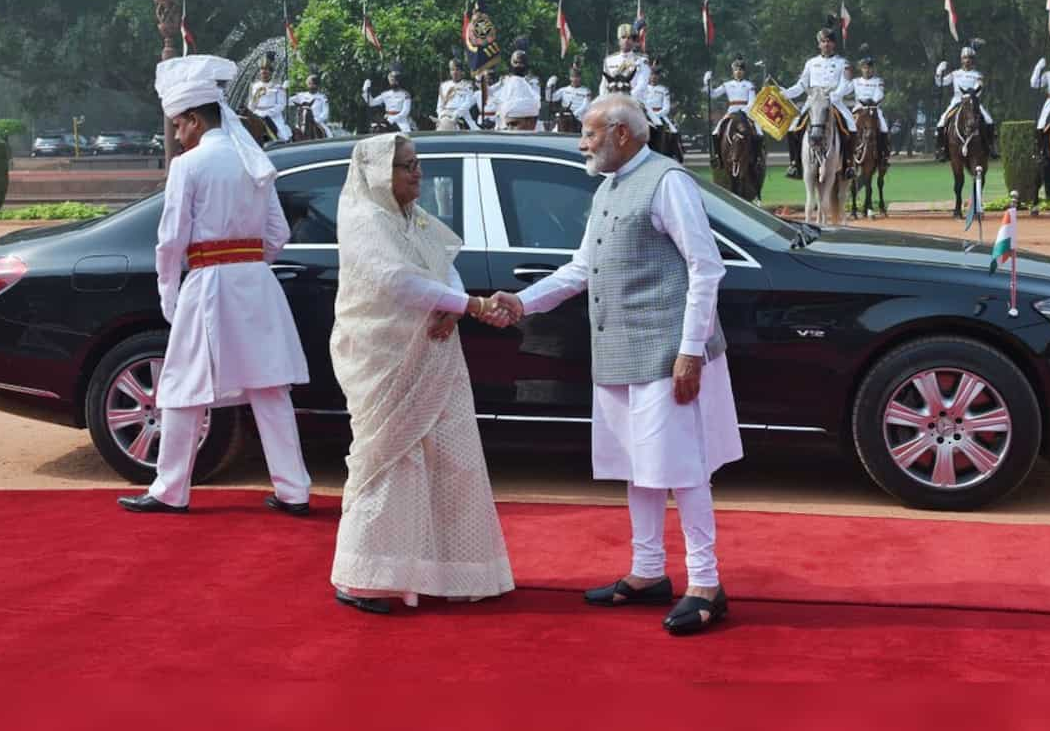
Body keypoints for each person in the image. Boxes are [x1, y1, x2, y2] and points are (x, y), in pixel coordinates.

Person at [491, 94, 743, 636]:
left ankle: (706, 583)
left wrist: (691, 351)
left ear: (621, 134)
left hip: (667, 353)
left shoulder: (667, 181)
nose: (582, 143)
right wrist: (523, 302)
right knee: (639, 467)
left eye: (589, 133)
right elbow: (582, 268)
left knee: (684, 469)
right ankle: (649, 572)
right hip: (620, 353)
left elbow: (706, 267)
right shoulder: (609, 187)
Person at [329, 133, 516, 614]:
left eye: (416, 163)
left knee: (452, 455)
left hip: (434, 352)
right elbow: (397, 281)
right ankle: (365, 577)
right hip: (385, 356)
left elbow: (443, 267)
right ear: (377, 174)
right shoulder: (365, 219)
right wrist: (469, 304)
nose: (417, 172)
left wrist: (453, 304)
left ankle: (454, 572)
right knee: (391, 458)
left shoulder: (415, 218)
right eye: (405, 166)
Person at [119, 54, 312, 515]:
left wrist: (169, 291)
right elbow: (278, 234)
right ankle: (294, 490)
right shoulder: (253, 158)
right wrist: (248, 262)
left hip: (208, 284)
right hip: (256, 284)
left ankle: (170, 489)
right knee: (270, 389)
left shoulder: (189, 165)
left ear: (190, 120)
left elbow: (170, 240)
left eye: (177, 126)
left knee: (184, 387)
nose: (177, 135)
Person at [782, 16, 856, 179]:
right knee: (792, 127)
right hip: (814, 101)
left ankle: (849, 164)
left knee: (851, 126)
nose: (826, 44)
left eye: (829, 41)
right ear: (819, 44)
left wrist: (835, 96)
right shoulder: (811, 63)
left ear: (834, 43)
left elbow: (845, 84)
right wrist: (785, 92)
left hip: (833, 101)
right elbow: (801, 85)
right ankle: (795, 164)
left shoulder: (842, 63)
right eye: (823, 41)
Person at [935, 38, 996, 161]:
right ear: (961, 60)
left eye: (969, 58)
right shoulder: (955, 74)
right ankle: (941, 149)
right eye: (964, 58)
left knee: (989, 120)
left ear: (973, 60)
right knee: (941, 122)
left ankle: (991, 147)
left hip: (973, 101)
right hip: (957, 100)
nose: (967, 60)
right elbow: (940, 83)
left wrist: (972, 94)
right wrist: (938, 72)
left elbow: (979, 87)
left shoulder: (978, 75)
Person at [705, 54, 760, 170]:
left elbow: (752, 102)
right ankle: (718, 158)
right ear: (733, 71)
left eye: (740, 70)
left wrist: (743, 111)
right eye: (736, 70)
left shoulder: (749, 85)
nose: (738, 72)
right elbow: (713, 94)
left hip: (746, 112)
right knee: (715, 132)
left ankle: (757, 158)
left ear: (744, 72)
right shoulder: (727, 85)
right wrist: (708, 83)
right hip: (731, 112)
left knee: (759, 133)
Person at [852, 44, 891, 166]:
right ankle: (847, 154)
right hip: (859, 109)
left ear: (873, 69)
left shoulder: (878, 81)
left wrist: (871, 102)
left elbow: (879, 95)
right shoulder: (855, 81)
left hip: (874, 109)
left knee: (884, 128)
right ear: (861, 68)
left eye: (869, 68)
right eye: (864, 67)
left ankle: (883, 155)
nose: (867, 70)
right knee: (849, 128)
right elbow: (845, 90)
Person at [248, 51, 293, 142]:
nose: (264, 72)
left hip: (273, 117)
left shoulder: (277, 87)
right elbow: (251, 104)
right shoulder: (254, 86)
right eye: (262, 70)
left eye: (267, 70)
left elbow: (281, 105)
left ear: (271, 72)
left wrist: (267, 113)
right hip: (257, 115)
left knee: (282, 136)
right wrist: (254, 112)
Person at [497, 39, 542, 130]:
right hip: (506, 118)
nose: (518, 65)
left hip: (528, 117)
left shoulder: (532, 81)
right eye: (516, 62)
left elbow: (536, 102)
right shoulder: (505, 80)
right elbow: (498, 99)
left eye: (521, 63)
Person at [600, 20, 650, 99]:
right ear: (619, 41)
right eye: (623, 37)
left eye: (629, 38)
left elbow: (642, 84)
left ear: (633, 41)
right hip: (611, 98)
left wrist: (626, 97)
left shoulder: (642, 61)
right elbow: (604, 84)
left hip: (635, 99)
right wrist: (604, 98)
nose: (626, 40)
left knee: (649, 111)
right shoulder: (609, 60)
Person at [362, 61, 413, 134]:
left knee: (408, 134)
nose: (393, 81)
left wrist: (393, 119)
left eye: (395, 80)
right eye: (391, 80)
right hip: (387, 119)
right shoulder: (385, 94)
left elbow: (405, 112)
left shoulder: (405, 94)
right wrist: (365, 91)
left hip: (401, 121)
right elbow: (371, 103)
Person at [547, 60, 592, 132]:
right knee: (554, 130)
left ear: (580, 78)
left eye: (577, 77)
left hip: (579, 118)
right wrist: (549, 87)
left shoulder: (586, 91)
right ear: (570, 78)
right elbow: (550, 98)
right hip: (564, 115)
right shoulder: (564, 90)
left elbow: (586, 106)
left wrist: (574, 114)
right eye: (573, 77)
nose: (575, 79)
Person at [435, 58, 479, 131]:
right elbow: (439, 106)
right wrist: (441, 116)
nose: (454, 72)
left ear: (462, 72)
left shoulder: (467, 85)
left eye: (457, 70)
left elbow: (468, 103)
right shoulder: (443, 85)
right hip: (445, 116)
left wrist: (456, 115)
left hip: (462, 116)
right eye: (452, 70)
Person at [290, 69, 331, 138]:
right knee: (292, 135)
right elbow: (287, 102)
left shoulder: (322, 98)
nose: (311, 86)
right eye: (309, 83)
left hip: (317, 121)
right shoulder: (301, 96)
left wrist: (316, 120)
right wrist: (284, 90)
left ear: (317, 85)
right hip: (302, 122)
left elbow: (325, 113)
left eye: (313, 84)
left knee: (329, 134)